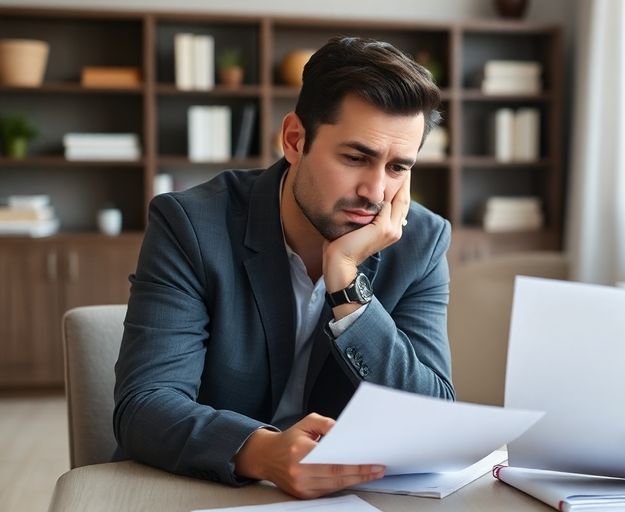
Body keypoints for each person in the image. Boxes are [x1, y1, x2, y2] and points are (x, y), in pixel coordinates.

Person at [113, 37, 454, 499]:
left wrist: (348, 285)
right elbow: (144, 406)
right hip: (204, 484)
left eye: (398, 167)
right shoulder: (190, 225)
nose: (375, 192)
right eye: (356, 158)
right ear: (295, 140)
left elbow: (433, 419)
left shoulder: (420, 242)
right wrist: (263, 452)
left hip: (351, 497)